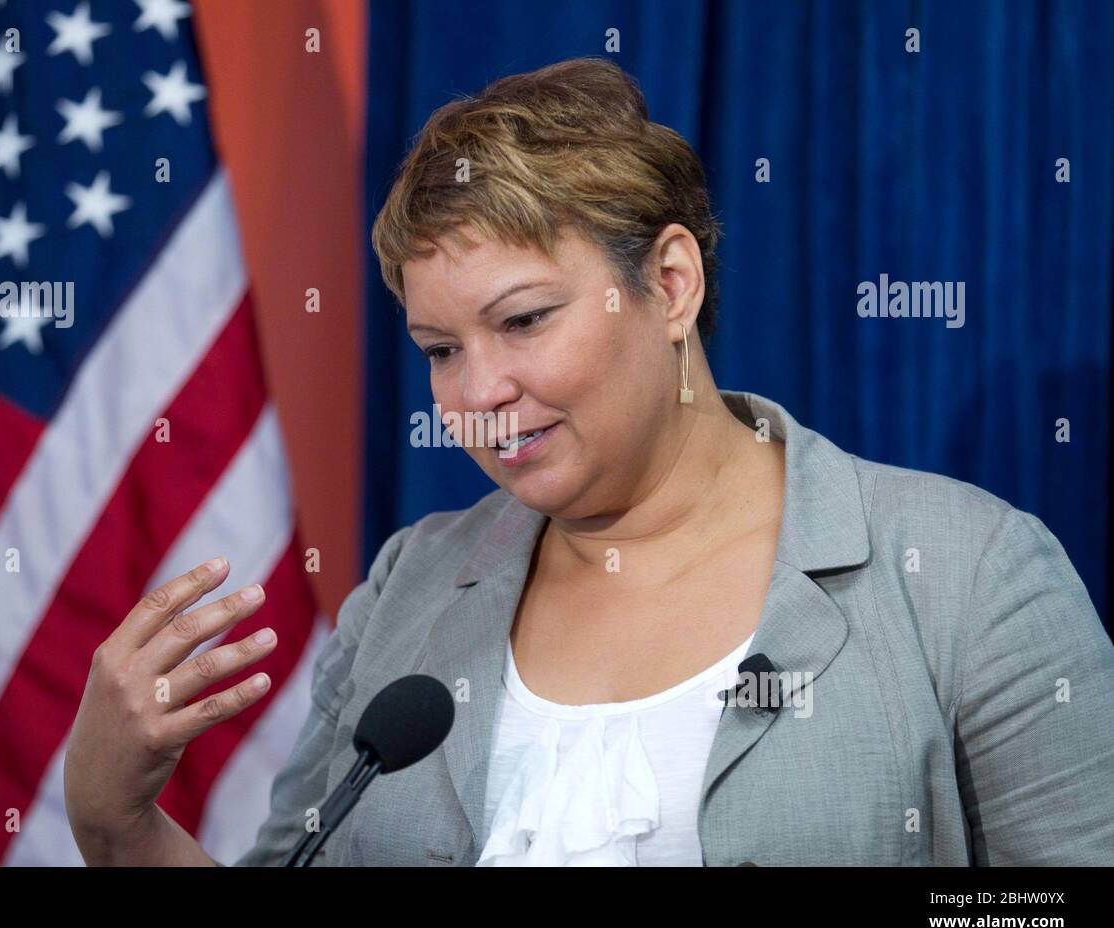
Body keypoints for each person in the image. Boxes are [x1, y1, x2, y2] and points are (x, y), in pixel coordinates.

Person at [64, 57, 1114, 867]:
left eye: (522, 320)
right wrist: (116, 821)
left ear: (669, 282)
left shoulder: (967, 574)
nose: (474, 395)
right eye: (439, 350)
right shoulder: (409, 591)